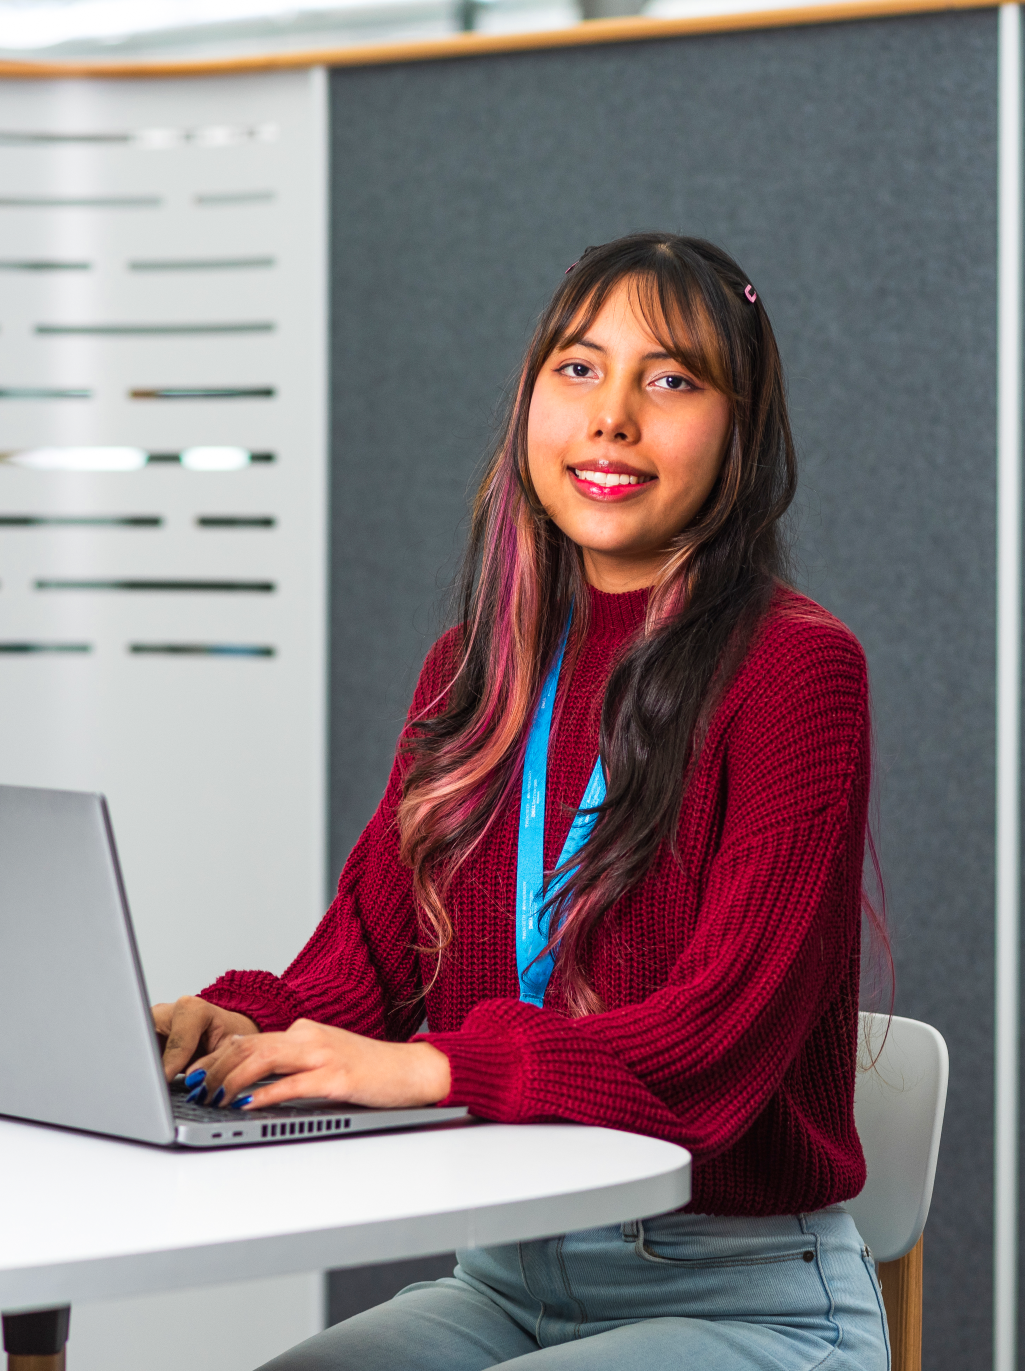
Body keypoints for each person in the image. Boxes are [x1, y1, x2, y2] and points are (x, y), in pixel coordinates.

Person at [152, 232, 885, 1371]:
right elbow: (367, 974)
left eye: (673, 378)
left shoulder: (796, 669)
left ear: (742, 430)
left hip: (742, 1296)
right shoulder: (475, 665)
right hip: (504, 1278)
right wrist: (241, 1021)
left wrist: (442, 1066)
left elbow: (715, 1044)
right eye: (580, 368)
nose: (613, 417)